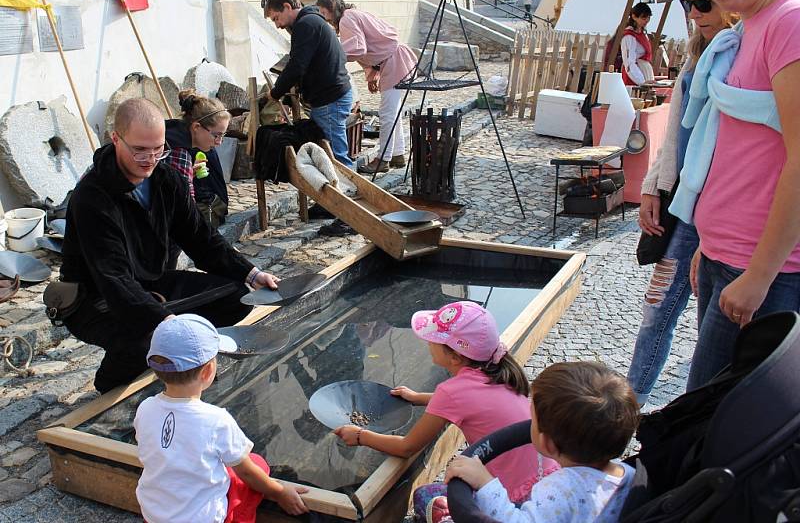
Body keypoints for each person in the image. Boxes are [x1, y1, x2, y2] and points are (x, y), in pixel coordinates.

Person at [57, 98, 279, 393]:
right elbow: (114, 280)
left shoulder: (165, 177)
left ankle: (177, 359)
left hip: (152, 281)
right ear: (115, 139)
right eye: (139, 150)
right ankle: (111, 382)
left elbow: (201, 238)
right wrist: (168, 323)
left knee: (238, 296)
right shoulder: (92, 197)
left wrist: (250, 273)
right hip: (95, 298)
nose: (149, 159)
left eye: (157, 149)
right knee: (150, 338)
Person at [677, 0, 800, 389]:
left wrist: (759, 274)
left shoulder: (790, 21)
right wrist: (709, 246)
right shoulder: (753, 20)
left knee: (717, 430)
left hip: (767, 270)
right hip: (728, 257)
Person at [333, 302, 559, 513]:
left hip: (513, 499)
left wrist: (361, 435)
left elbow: (406, 447)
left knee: (425, 498)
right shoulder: (498, 370)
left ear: (455, 356)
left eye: (433, 339)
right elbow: (467, 400)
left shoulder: (451, 391)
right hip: (548, 482)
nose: (427, 342)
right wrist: (418, 397)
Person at [627, 0, 736, 407]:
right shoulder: (698, 53)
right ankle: (628, 406)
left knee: (709, 326)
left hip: (723, 211)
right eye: (688, 5)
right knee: (658, 308)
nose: (693, 14)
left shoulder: (746, 52)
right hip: (685, 205)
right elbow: (676, 134)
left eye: (703, 3)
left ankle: (694, 419)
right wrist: (655, 184)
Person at [135, 314, 308, 522]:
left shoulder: (145, 408)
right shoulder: (215, 419)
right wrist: (280, 492)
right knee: (257, 464)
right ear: (208, 371)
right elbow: (248, 474)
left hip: (154, 514)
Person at [443, 361, 639, 523]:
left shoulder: (560, 489)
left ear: (547, 443)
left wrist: (485, 482)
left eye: (533, 419)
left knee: (427, 495)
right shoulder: (630, 474)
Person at [315, 0, 417, 174]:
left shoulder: (347, 19)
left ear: (331, 9)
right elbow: (371, 45)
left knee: (387, 113)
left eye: (324, 12)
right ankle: (397, 155)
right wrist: (373, 74)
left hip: (394, 61)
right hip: (393, 59)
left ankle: (383, 159)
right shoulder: (352, 14)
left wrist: (333, 54)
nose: (324, 18)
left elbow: (359, 47)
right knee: (393, 112)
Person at [265, 0, 353, 168]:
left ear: (287, 6)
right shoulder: (311, 21)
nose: (277, 25)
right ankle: (344, 190)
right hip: (331, 96)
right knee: (332, 154)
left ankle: (348, 192)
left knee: (336, 158)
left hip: (330, 98)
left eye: (276, 18)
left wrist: (276, 92)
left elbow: (297, 65)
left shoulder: (306, 24)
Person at [165, 90, 231, 230]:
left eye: (223, 135)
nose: (219, 142)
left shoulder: (173, 134)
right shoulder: (180, 153)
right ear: (196, 127)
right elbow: (185, 211)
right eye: (216, 135)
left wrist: (189, 173)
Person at [620, 2, 655, 86]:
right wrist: (641, 81)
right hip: (634, 77)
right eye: (643, 17)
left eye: (648, 17)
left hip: (644, 72)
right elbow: (629, 62)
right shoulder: (629, 36)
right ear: (634, 16)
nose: (646, 20)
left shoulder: (642, 33)